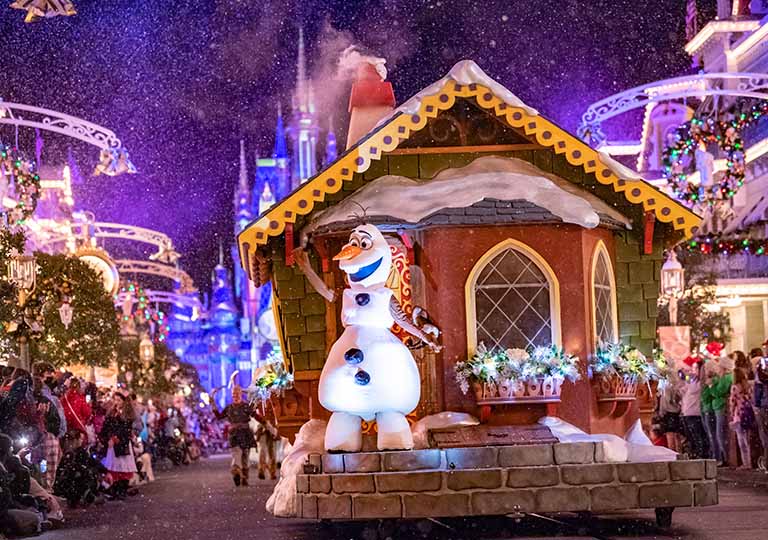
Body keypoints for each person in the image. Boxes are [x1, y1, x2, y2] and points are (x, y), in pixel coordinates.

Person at [211, 384, 263, 487]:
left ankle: (244, 478)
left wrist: (266, 424)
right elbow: (219, 417)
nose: (235, 396)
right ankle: (236, 473)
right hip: (234, 434)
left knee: (245, 456)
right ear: (232, 395)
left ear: (240, 394)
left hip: (245, 433)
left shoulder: (246, 407)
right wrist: (212, 403)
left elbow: (255, 415)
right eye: (234, 394)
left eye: (237, 393)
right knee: (236, 454)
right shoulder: (229, 408)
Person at [99, 394, 137, 499]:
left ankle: (122, 490)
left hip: (122, 443)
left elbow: (126, 429)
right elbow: (106, 427)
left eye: (119, 400)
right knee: (114, 468)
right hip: (113, 444)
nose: (117, 402)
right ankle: (115, 490)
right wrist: (107, 438)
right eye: (115, 399)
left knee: (123, 467)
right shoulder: (111, 413)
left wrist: (117, 437)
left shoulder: (127, 414)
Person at [702, 361, 733, 465]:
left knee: (719, 434)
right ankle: (721, 457)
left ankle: (724, 458)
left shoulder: (725, 378)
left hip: (719, 407)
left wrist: (711, 387)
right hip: (715, 407)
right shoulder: (721, 378)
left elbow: (717, 392)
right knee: (715, 434)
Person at [680, 361, 709, 459]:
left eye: (696, 368)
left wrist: (689, 377)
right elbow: (683, 381)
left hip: (695, 412)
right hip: (687, 411)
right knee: (691, 436)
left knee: (698, 435)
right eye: (693, 368)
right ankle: (694, 452)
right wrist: (684, 375)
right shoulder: (693, 380)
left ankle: (701, 454)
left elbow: (693, 390)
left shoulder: (702, 382)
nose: (693, 370)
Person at [730, 367, 755, 469]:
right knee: (748, 440)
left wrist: (732, 415)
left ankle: (746, 463)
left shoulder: (735, 387)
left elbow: (732, 402)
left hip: (739, 415)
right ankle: (750, 461)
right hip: (748, 413)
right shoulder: (748, 386)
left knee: (742, 441)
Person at [754, 346, 768, 472]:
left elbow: (761, 381)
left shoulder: (763, 363)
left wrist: (757, 403)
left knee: (765, 433)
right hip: (764, 402)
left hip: (765, 402)